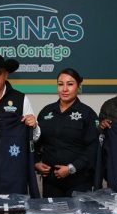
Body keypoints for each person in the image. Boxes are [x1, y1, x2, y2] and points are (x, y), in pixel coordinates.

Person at [34, 68, 99, 197]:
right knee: (52, 211)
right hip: (51, 182)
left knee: (78, 211)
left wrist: (71, 168)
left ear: (78, 87)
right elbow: (36, 142)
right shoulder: (46, 111)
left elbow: (93, 149)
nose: (64, 89)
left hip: (79, 182)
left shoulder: (88, 114)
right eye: (60, 84)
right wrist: (36, 163)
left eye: (70, 84)